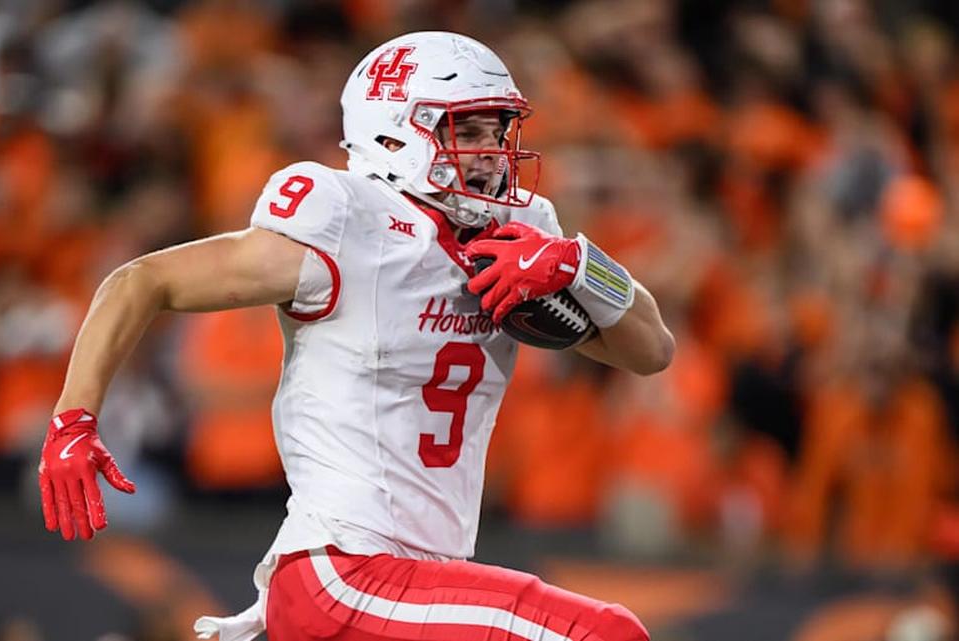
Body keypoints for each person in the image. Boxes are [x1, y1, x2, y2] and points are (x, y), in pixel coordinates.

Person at [38, 31, 673, 641]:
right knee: (605, 633)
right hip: (343, 572)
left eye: (496, 131)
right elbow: (142, 281)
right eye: (467, 131)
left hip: (426, 581)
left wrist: (581, 265)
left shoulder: (516, 234)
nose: (489, 151)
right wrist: (73, 419)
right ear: (396, 132)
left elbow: (651, 350)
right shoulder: (348, 218)